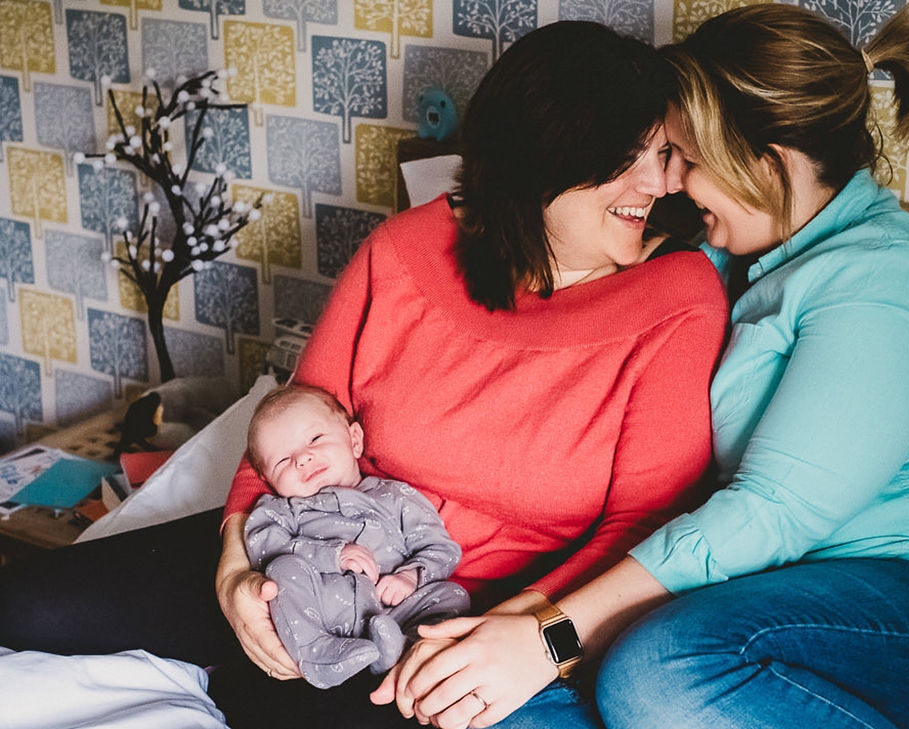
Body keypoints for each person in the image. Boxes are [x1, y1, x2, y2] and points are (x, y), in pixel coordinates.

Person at [0, 20, 728, 729]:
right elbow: (290, 419)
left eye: (664, 154)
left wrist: (523, 630)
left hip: (442, 605)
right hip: (301, 539)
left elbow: (646, 524)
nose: (660, 184)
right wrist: (233, 571)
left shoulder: (678, 297)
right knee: (25, 605)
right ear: (544, 159)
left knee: (288, 708)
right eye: (631, 157)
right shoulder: (408, 248)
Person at [381, 5, 909, 729]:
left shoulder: (890, 285)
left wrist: (550, 632)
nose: (674, 182)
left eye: (689, 158)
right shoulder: (734, 259)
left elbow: (770, 512)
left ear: (768, 164)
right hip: (763, 599)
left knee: (657, 672)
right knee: (497, 708)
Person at [243, 384, 469, 689]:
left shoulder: (395, 496)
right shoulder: (282, 509)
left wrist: (409, 578)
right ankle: (316, 651)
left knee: (453, 595)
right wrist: (331, 554)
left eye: (315, 439)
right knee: (281, 570)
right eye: (283, 460)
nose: (303, 459)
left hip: (395, 609)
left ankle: (401, 646)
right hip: (321, 609)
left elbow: (438, 547)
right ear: (267, 479)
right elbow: (263, 546)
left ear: (354, 440)